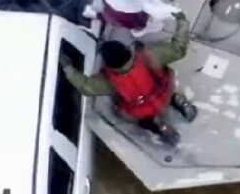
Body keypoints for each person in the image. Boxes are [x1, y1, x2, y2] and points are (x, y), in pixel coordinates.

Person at [59, 11, 197, 146]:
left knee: (126, 115)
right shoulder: (150, 55)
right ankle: (178, 101)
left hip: (139, 110)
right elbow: (179, 49)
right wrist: (182, 21)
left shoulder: (108, 81)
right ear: (128, 51)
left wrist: (68, 68)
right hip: (164, 94)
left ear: (109, 65)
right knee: (163, 85)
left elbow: (85, 86)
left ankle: (158, 127)